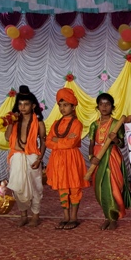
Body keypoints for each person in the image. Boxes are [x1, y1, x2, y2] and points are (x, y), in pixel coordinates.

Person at [45, 88, 89, 230]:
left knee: (74, 187)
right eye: (60, 105)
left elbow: (71, 143)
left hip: (72, 158)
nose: (62, 108)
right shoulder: (56, 123)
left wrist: (57, 140)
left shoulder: (77, 124)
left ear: (73, 106)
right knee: (62, 188)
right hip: (58, 160)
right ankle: (65, 217)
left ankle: (74, 217)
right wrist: (62, 141)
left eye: (65, 105)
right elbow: (48, 141)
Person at [88, 93, 131, 230]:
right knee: (100, 189)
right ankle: (107, 216)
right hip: (98, 158)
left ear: (112, 107)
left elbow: (122, 145)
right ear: (97, 107)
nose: (104, 107)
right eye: (101, 104)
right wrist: (91, 157)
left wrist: (115, 139)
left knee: (113, 187)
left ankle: (113, 217)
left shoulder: (116, 124)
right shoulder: (94, 125)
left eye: (107, 104)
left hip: (112, 156)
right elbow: (91, 143)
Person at [5, 85, 46, 227]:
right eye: (20, 104)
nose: (22, 107)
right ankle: (23, 215)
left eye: (26, 104)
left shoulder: (38, 122)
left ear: (33, 106)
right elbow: (7, 137)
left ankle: (35, 215)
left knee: (35, 186)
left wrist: (40, 159)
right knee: (18, 187)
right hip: (16, 156)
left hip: (32, 156)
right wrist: (11, 122)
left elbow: (43, 142)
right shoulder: (14, 120)